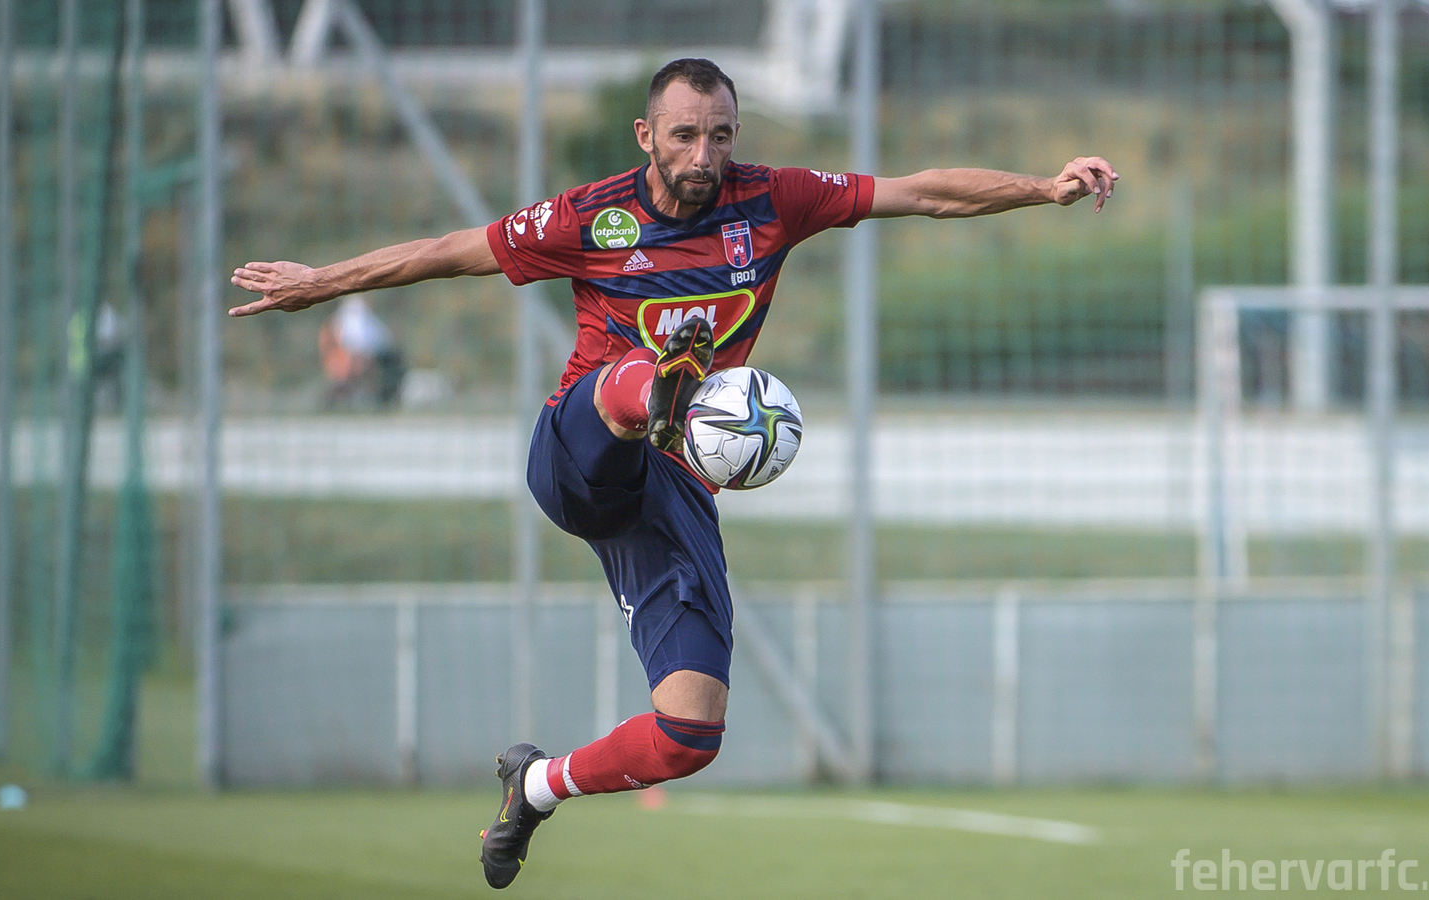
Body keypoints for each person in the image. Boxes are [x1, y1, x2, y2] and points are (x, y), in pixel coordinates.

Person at [230, 57, 1118, 890]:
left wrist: (1044, 188)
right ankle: (665, 384)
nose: (704, 155)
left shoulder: (774, 200)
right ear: (645, 135)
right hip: (580, 449)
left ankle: (534, 786)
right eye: (686, 134)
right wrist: (322, 282)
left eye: (720, 135)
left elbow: (921, 192)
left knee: (690, 733)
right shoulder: (592, 217)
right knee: (632, 382)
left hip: (673, 490)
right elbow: (446, 251)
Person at [319, 295, 406, 408]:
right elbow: (353, 341)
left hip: (371, 356)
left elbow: (378, 339)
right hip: (356, 356)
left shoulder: (365, 317)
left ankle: (385, 397)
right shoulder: (351, 315)